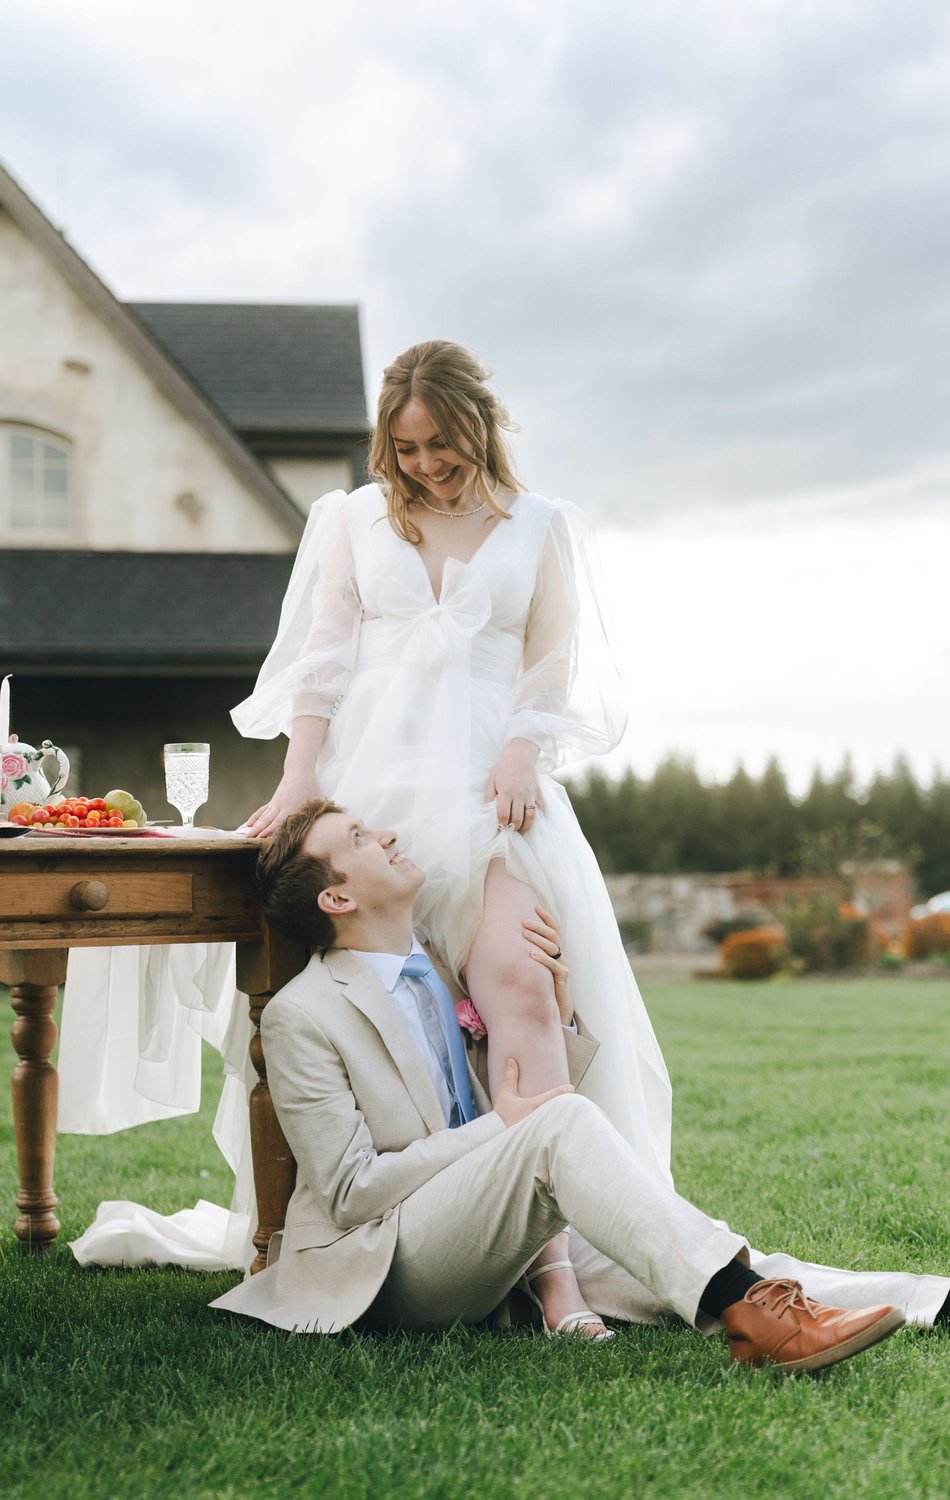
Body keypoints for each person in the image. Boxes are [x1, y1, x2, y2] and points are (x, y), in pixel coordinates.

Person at [211, 800, 950, 1365]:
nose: (385, 832)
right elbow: (350, 1192)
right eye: (358, 838)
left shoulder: (442, 972)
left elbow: (502, 1105)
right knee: (560, 1128)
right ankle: (758, 1322)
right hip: (385, 1269)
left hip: (479, 1236)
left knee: (683, 1251)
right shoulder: (303, 1014)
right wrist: (504, 1127)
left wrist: (557, 1023)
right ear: (337, 897)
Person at [233, 339, 673, 1336]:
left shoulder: (542, 526)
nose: (426, 464)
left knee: (522, 985)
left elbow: (552, 660)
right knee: (377, 1014)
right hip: (369, 794)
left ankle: (554, 1272)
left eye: (442, 443)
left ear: (481, 425)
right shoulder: (351, 519)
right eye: (407, 447)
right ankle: (368, 1234)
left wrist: (523, 746)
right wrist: (301, 777)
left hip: (489, 793)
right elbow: (323, 661)